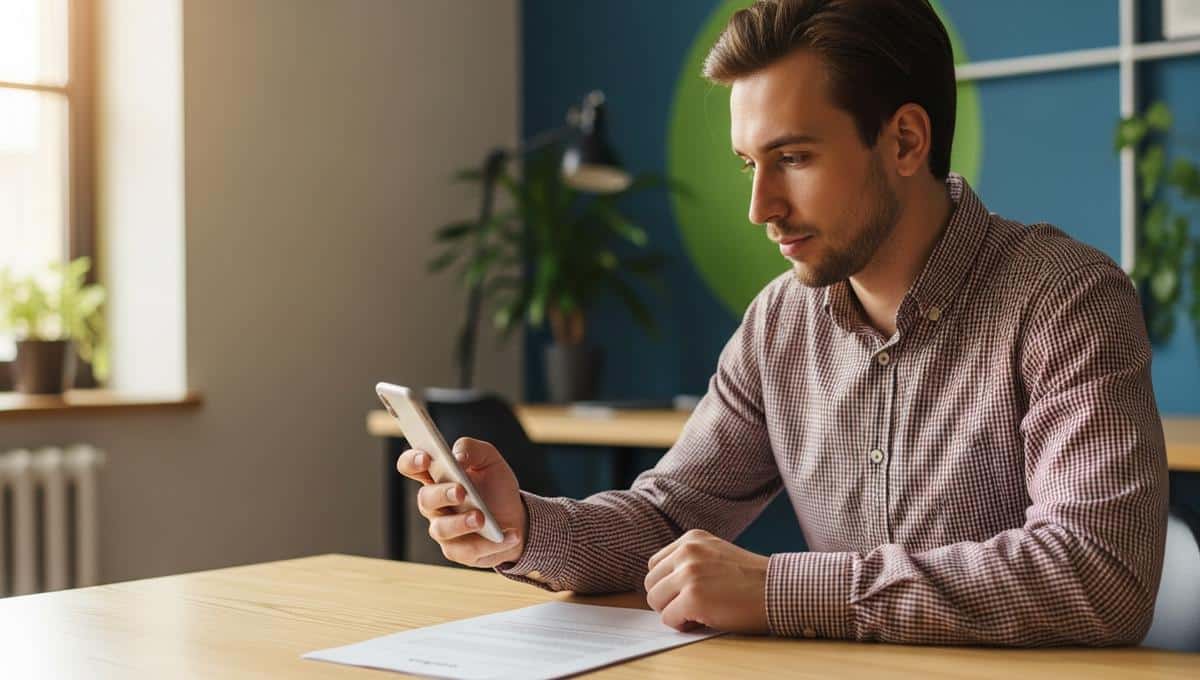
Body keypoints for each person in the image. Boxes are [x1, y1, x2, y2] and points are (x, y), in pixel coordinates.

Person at [398, 0, 1167, 645]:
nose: (760, 208)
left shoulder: (1066, 299)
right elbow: (667, 517)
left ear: (905, 140)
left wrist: (778, 590)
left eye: (792, 158)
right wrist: (526, 528)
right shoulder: (780, 324)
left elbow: (1098, 574)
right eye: (749, 164)